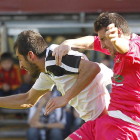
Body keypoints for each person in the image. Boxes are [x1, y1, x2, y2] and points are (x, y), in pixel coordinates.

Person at [52, 12, 140, 140]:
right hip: (106, 121)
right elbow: (92, 42)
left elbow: (125, 48)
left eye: (104, 39)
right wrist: (68, 43)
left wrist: (115, 41)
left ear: (119, 33)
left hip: (126, 128)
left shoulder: (135, 47)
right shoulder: (118, 45)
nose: (102, 44)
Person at [0, 30, 113, 124]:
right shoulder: (47, 70)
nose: (20, 65)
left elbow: (93, 68)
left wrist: (65, 97)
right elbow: (28, 99)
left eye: (20, 59)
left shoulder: (54, 59)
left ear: (30, 55)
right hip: (95, 119)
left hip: (107, 116)